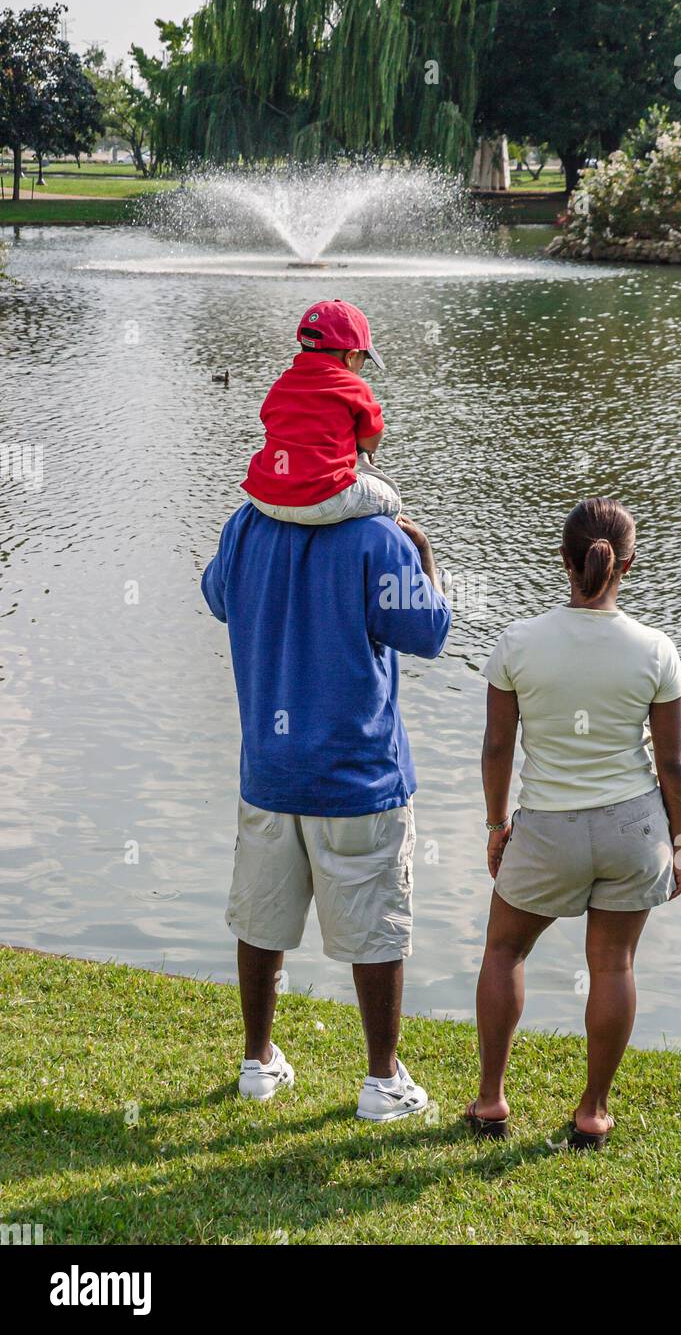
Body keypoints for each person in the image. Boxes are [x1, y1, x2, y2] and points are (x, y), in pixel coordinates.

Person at [201, 472, 451, 1118]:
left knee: (262, 919)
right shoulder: (378, 536)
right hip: (358, 775)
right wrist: (423, 555)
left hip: (271, 769)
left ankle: (257, 1062)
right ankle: (382, 1081)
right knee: (376, 931)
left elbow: (218, 597)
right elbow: (429, 632)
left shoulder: (245, 524)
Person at [468, 497, 681, 1147]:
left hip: (548, 828)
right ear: (629, 565)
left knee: (505, 950)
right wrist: (679, 842)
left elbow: (497, 748)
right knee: (613, 966)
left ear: (564, 561)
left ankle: (491, 1102)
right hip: (633, 831)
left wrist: (495, 825)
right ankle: (592, 1113)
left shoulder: (518, 643)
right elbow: (673, 763)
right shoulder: (656, 649)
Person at [242, 298, 402, 526]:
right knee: (391, 497)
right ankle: (383, 539)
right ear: (351, 357)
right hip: (322, 500)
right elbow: (371, 440)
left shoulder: (281, 384)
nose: (361, 368)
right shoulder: (353, 386)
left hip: (264, 498)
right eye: (363, 361)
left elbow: (272, 421)